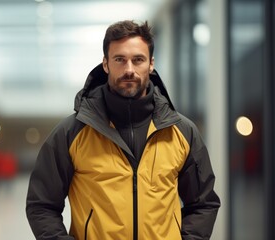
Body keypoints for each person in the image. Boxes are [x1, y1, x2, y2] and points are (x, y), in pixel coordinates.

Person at [26, 20, 220, 240]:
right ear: (106, 64)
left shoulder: (182, 132)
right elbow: (41, 205)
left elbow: (204, 203)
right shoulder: (71, 133)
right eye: (120, 59)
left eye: (138, 60)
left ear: (151, 64)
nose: (129, 70)